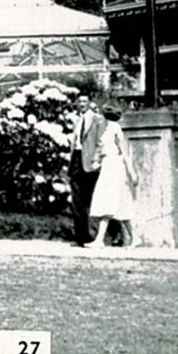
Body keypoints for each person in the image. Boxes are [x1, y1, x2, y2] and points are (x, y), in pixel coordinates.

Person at [88, 102, 135, 248]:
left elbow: (124, 153)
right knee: (118, 205)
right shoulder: (107, 129)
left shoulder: (115, 129)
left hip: (115, 167)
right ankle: (135, 237)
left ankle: (99, 240)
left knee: (109, 202)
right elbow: (106, 151)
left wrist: (132, 172)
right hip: (108, 166)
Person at [67, 96, 104, 246]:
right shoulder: (77, 120)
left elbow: (101, 141)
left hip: (90, 163)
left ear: (89, 104)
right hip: (76, 160)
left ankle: (102, 235)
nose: (81, 104)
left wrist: (96, 160)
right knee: (77, 201)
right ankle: (81, 237)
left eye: (84, 102)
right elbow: (75, 141)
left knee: (92, 200)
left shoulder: (97, 119)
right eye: (79, 102)